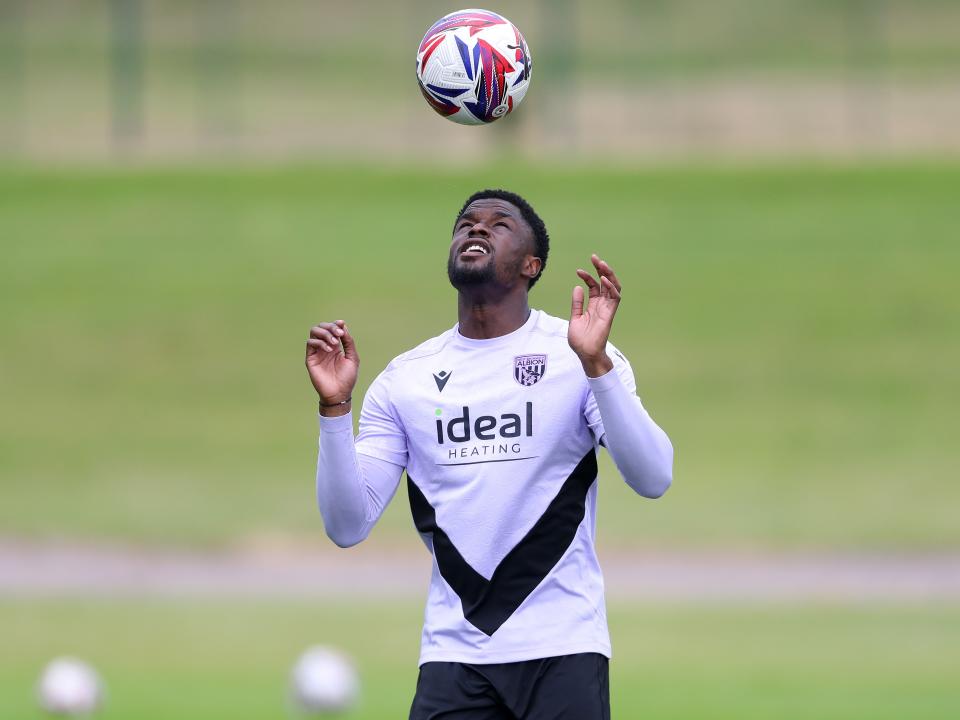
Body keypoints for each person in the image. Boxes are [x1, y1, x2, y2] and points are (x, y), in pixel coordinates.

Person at [306, 189, 673, 719]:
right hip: (454, 657)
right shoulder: (406, 380)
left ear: (532, 265)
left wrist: (597, 366)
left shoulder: (577, 354)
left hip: (563, 648)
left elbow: (654, 476)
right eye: (465, 224)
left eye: (498, 224)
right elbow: (346, 525)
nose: (476, 230)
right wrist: (335, 406)